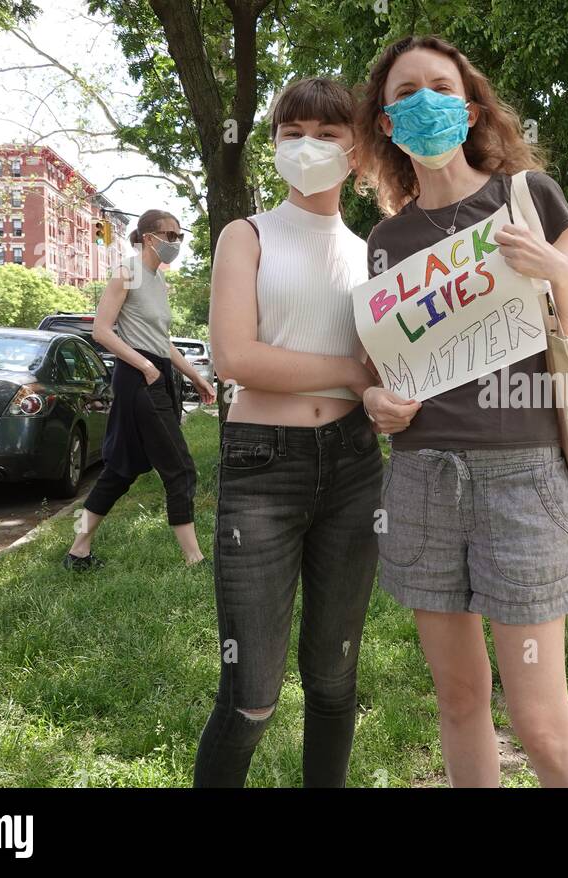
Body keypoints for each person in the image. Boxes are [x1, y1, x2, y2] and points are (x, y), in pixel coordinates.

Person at [355, 34, 568, 787]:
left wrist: (558, 268)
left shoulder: (526, 196)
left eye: (440, 86)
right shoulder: (385, 242)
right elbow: (379, 371)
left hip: (522, 479)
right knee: (460, 701)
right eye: (405, 93)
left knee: (540, 720)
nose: (424, 100)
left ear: (468, 109)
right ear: (387, 122)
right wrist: (375, 403)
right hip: (422, 480)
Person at [194, 77, 382, 788]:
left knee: (334, 681)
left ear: (356, 152)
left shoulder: (375, 253)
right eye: (292, 131)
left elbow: (392, 362)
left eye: (328, 134)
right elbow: (236, 357)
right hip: (261, 466)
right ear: (272, 144)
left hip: (356, 464)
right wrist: (349, 372)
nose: (309, 146)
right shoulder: (245, 236)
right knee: (251, 697)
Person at [63, 209, 216, 571]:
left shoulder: (157, 280)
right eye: (170, 235)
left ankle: (77, 550)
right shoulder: (127, 272)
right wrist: (145, 366)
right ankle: (194, 559)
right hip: (139, 379)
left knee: (120, 471)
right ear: (148, 237)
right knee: (180, 468)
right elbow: (101, 330)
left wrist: (196, 377)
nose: (176, 242)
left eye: (180, 236)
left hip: (155, 372)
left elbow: (163, 342)